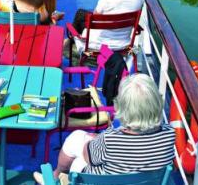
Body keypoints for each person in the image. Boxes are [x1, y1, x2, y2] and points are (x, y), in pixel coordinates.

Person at [34, 74, 175, 184]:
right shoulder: (169, 134)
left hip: (102, 181)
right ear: (157, 103)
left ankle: (55, 177)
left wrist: (95, 139)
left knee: (76, 143)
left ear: (122, 108)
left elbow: (87, 155)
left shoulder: (110, 140)